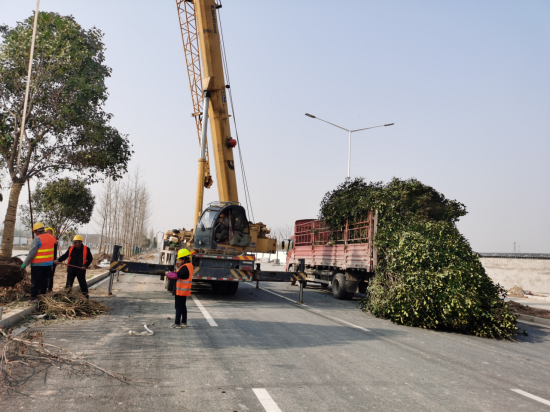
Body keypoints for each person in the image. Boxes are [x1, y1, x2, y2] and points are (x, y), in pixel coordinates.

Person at [21, 222, 57, 302]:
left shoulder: (37, 239)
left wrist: (24, 264)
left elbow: (32, 254)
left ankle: (34, 298)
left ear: (37, 231)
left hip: (37, 264)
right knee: (44, 281)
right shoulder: (52, 238)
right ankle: (42, 296)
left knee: (35, 281)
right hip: (48, 264)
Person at [170, 249, 194, 329]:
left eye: (180, 259)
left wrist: (169, 274)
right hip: (185, 290)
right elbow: (181, 274)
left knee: (178, 306)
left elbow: (179, 275)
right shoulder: (190, 265)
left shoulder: (184, 266)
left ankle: (177, 323)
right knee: (183, 306)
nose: (180, 261)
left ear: (184, 258)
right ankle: (184, 322)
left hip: (180, 290)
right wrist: (175, 273)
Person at [45, 227, 58, 293]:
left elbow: (54, 252)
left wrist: (54, 260)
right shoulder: (44, 240)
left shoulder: (54, 241)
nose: (48, 233)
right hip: (45, 261)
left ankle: (49, 288)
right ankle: (45, 288)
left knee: (50, 275)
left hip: (52, 261)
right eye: (47, 232)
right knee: (45, 275)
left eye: (49, 232)